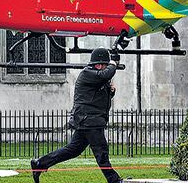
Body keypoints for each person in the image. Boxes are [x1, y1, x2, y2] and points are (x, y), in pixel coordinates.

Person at [30, 47, 122, 183]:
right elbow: (105, 75)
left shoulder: (97, 77)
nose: (103, 67)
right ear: (95, 64)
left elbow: (96, 97)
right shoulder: (88, 73)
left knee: (73, 150)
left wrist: (111, 91)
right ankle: (114, 180)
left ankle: (40, 164)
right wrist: (113, 63)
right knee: (101, 152)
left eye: (105, 65)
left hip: (88, 119)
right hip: (89, 120)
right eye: (102, 64)